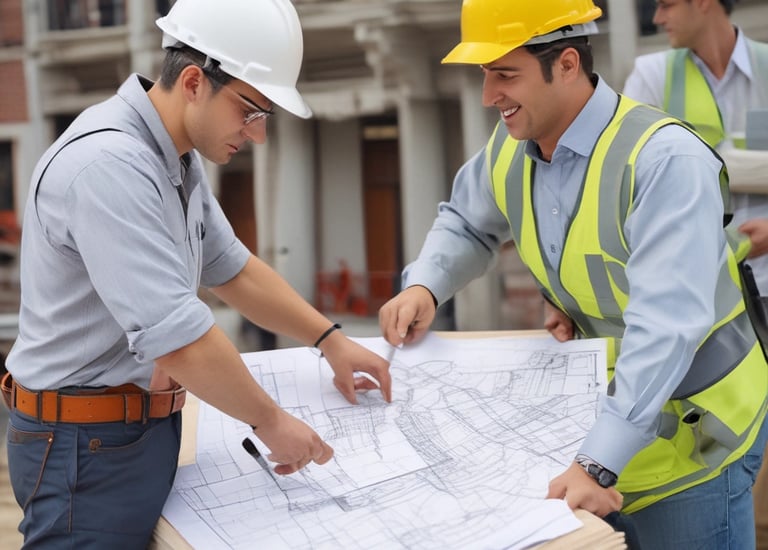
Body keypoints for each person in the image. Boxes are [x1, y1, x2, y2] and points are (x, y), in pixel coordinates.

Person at [1, 0, 392, 547]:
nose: (257, 135)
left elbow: (233, 270)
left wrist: (329, 340)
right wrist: (270, 422)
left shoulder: (175, 158)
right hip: (82, 443)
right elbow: (178, 339)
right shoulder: (109, 167)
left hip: (128, 432)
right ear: (192, 81)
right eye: (250, 111)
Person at [378, 0, 768, 547]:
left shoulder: (664, 161)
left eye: (504, 75)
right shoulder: (510, 149)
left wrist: (596, 463)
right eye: (485, 75)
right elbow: (468, 221)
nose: (490, 96)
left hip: (695, 437)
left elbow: (665, 326)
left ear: (565, 64)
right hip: (597, 429)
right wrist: (426, 284)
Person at [623, 0, 768, 293]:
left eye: (666, 5)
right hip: (696, 291)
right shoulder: (651, 76)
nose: (657, 18)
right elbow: (627, 180)